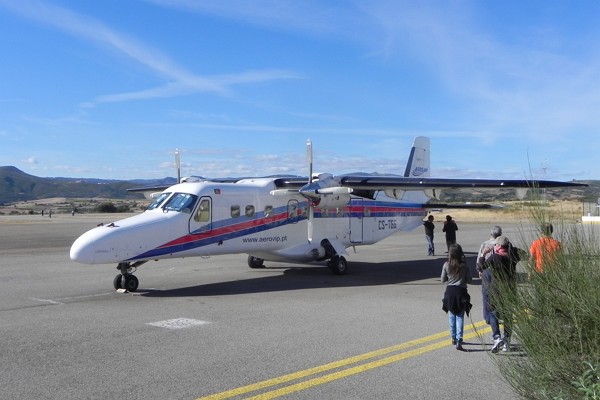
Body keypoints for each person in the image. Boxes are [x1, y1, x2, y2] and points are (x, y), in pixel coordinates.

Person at [482, 236, 516, 353]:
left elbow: (481, 267)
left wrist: (483, 254)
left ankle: (496, 337)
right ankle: (507, 340)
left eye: (496, 244)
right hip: (510, 289)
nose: (495, 246)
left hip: (496, 290)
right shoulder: (513, 256)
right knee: (508, 315)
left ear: (500, 246)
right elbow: (526, 254)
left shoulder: (495, 257)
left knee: (493, 313)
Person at [441, 243, 472, 351]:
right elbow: (469, 280)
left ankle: (453, 337)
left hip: (450, 292)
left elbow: (442, 280)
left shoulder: (446, 265)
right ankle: (459, 339)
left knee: (451, 316)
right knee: (460, 316)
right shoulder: (464, 266)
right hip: (461, 291)